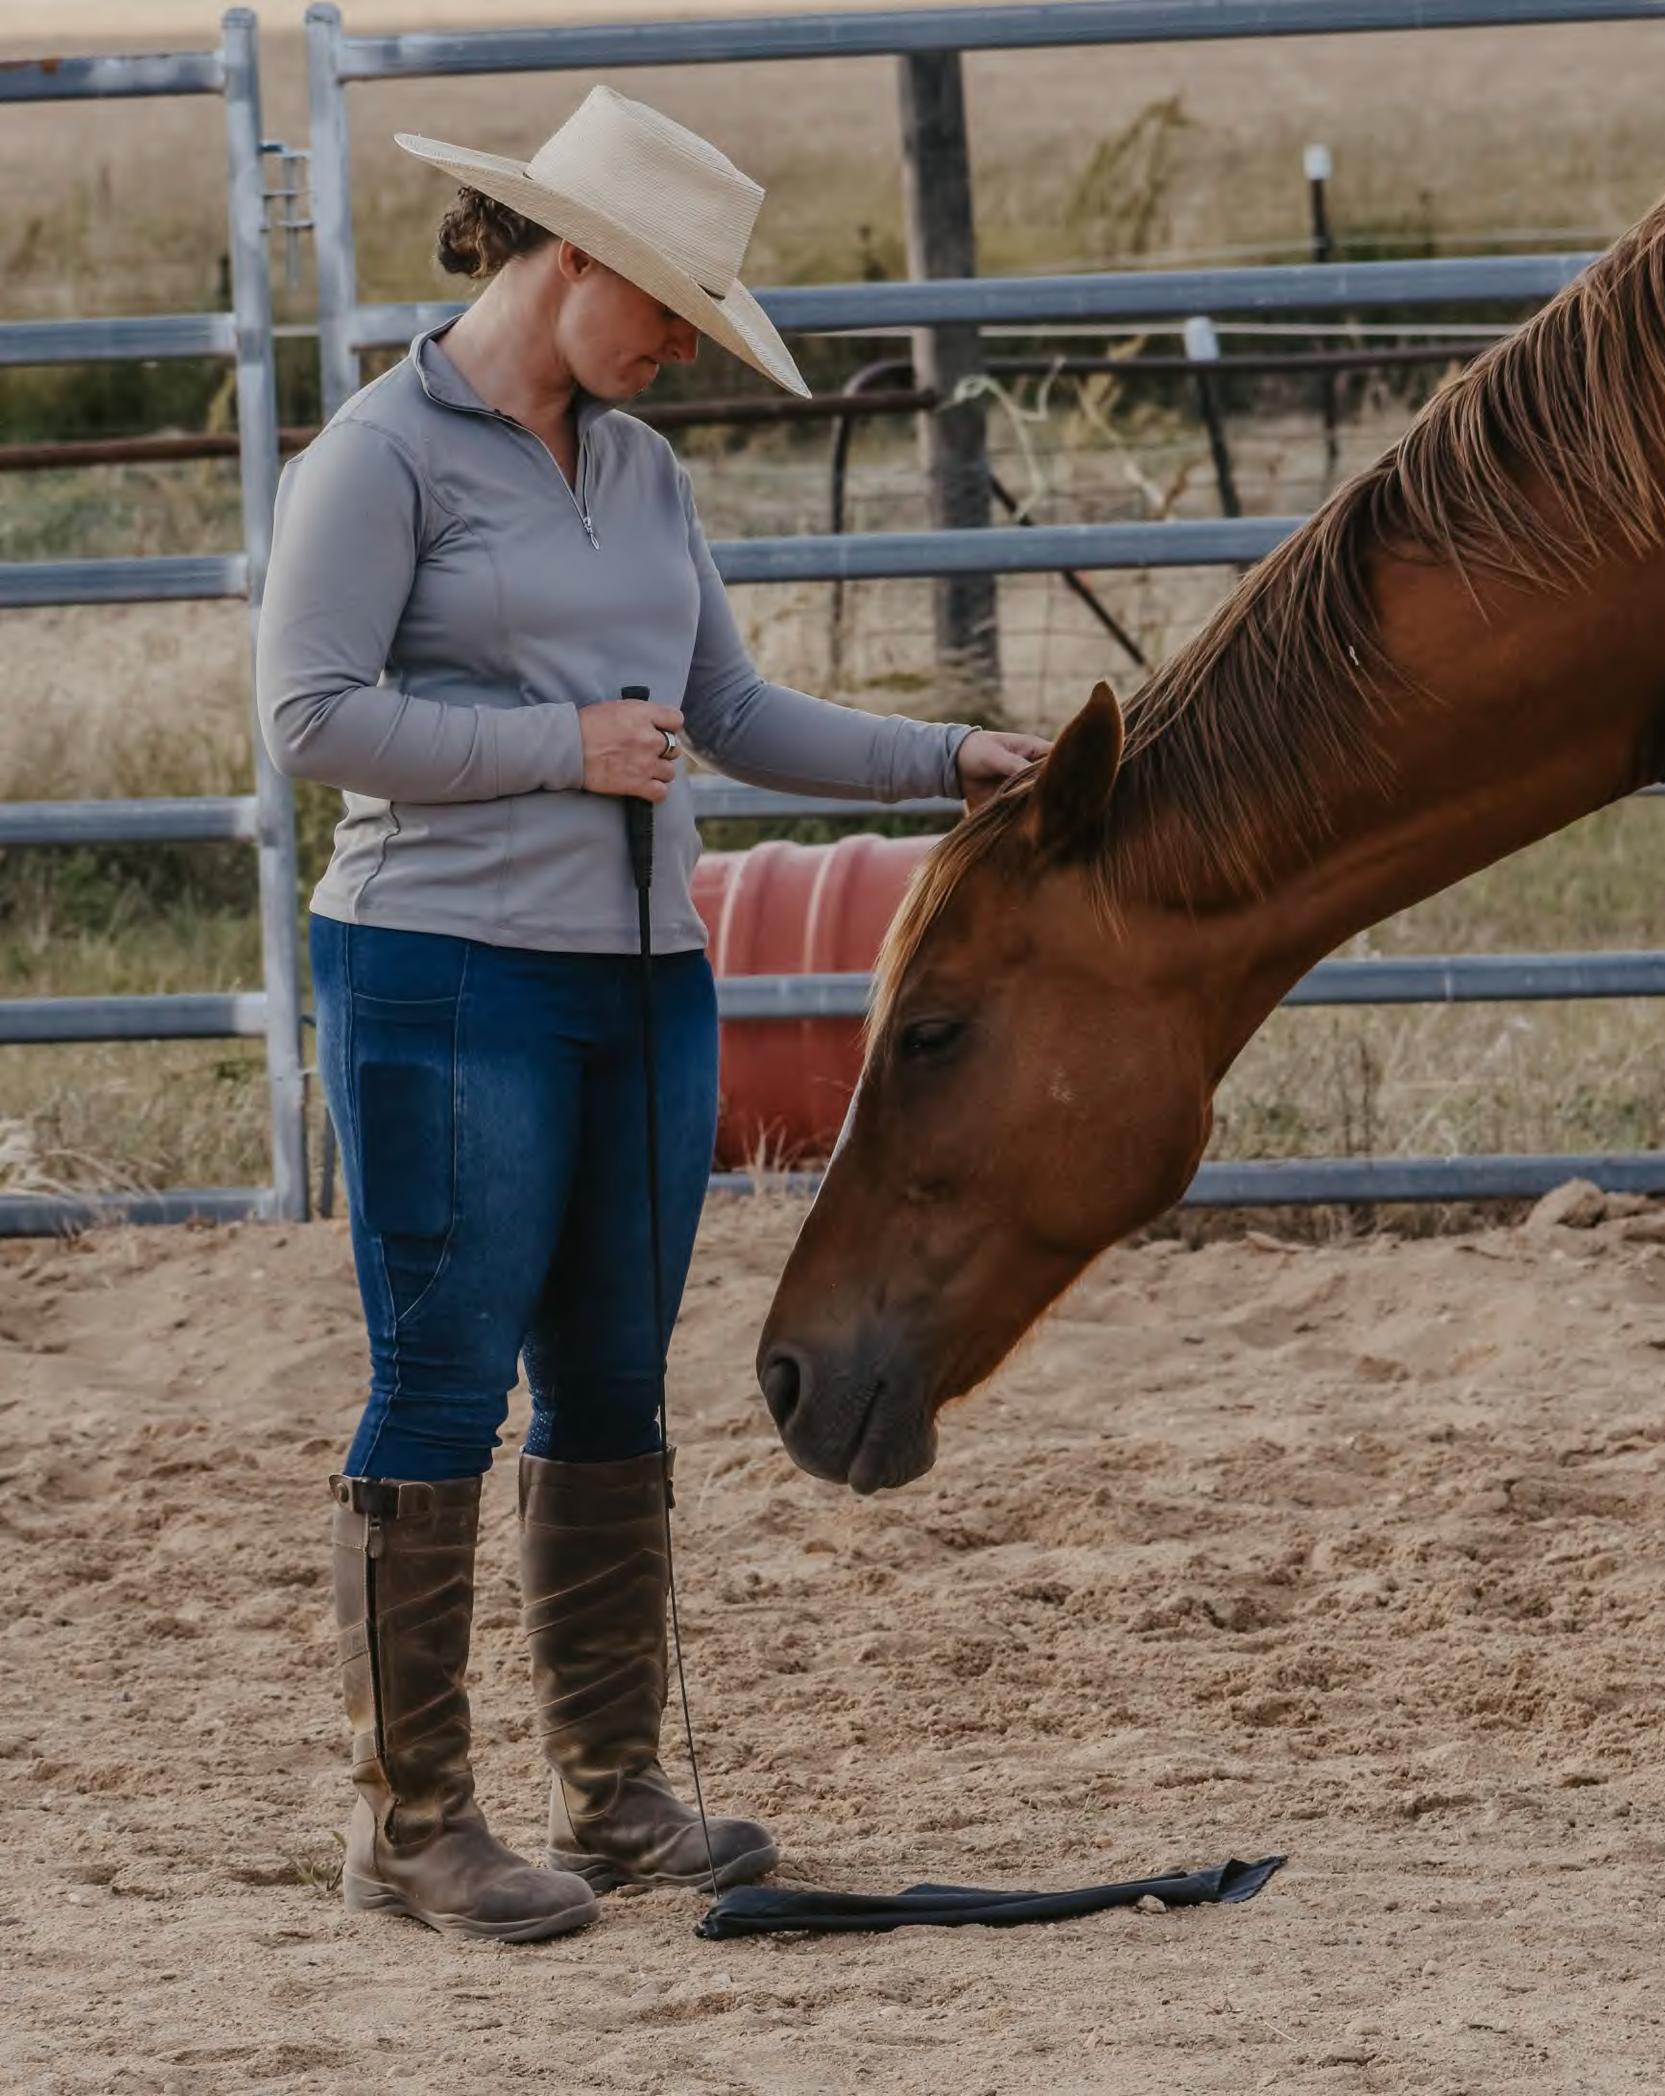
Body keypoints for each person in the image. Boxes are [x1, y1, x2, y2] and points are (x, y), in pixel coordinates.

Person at [256, 85, 1047, 1943]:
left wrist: (951, 761)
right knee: (445, 1373)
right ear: (567, 257)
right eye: (667, 305)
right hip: (444, 977)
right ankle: (414, 1824)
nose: (680, 346)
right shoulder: (378, 458)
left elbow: (735, 715)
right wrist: (562, 747)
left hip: (641, 981)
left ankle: (609, 1793)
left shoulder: (642, 470)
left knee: (611, 1382)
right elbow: (307, 721)